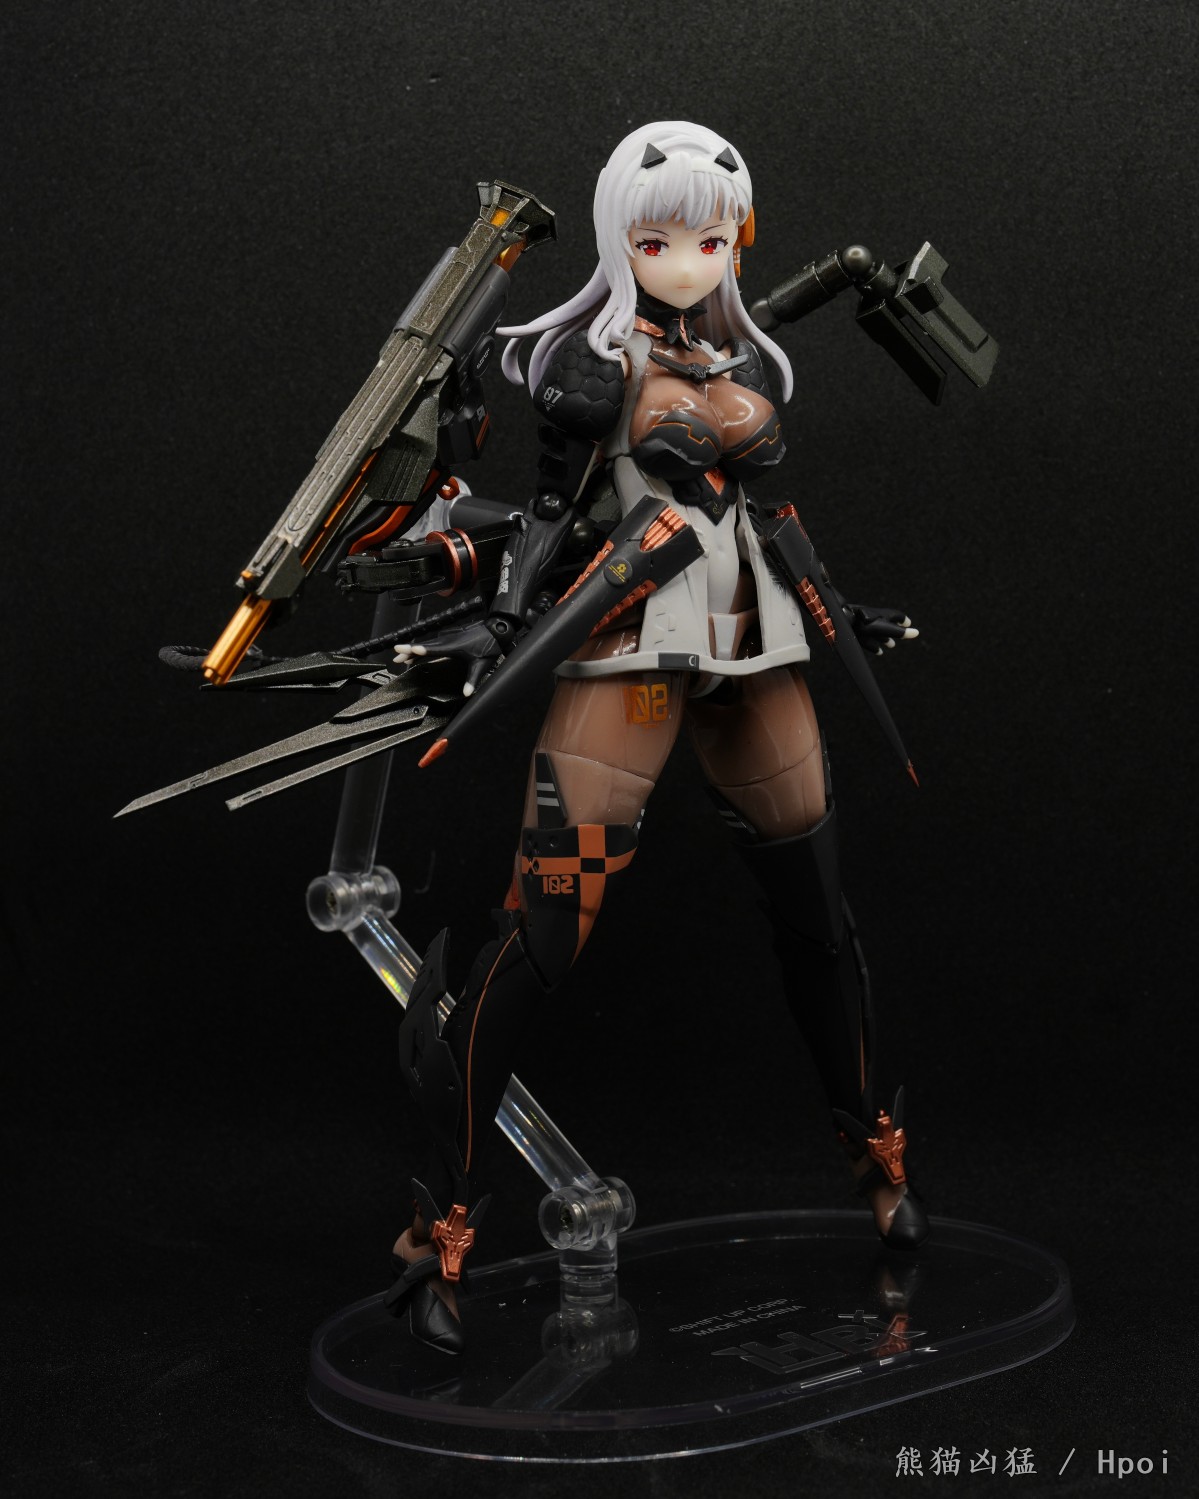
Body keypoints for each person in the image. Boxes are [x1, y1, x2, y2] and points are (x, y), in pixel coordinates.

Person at [388, 120, 927, 1355]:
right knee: (542, 932)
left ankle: (875, 1152)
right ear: (617, 240)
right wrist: (498, 623)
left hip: (754, 651)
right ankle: (441, 1222)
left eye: (709, 237)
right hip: (629, 655)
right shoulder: (587, 371)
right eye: (656, 239)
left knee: (816, 912)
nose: (686, 260)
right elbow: (546, 514)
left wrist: (839, 609)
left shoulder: (734, 351)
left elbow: (752, 507)